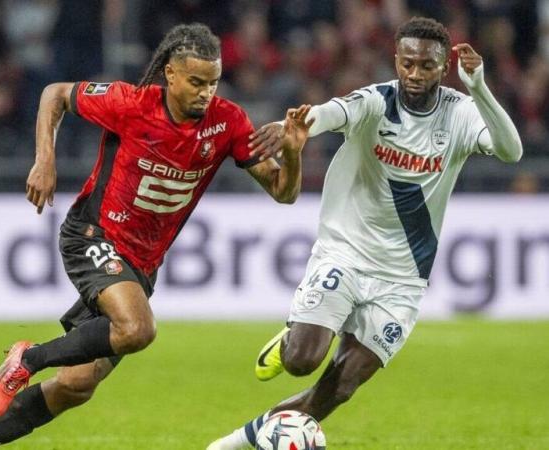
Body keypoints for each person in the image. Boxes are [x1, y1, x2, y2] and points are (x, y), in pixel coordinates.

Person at [0, 23, 314, 450]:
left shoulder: (227, 123)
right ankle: (27, 358)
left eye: (214, 82)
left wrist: (292, 156)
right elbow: (55, 93)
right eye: (196, 82)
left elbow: (284, 193)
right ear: (170, 74)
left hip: (140, 266)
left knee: (74, 386)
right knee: (138, 329)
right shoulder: (130, 103)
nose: (206, 93)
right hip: (92, 235)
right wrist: (45, 160)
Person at [208, 16, 522, 450]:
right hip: (347, 254)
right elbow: (333, 112)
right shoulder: (376, 101)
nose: (414, 74)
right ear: (396, 59)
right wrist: (294, 127)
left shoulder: (461, 112)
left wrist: (479, 87)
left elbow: (511, 150)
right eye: (407, 63)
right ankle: (294, 334)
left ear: (442, 67)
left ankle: (232, 444)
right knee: (302, 362)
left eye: (426, 66)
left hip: (403, 279)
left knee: (337, 389)